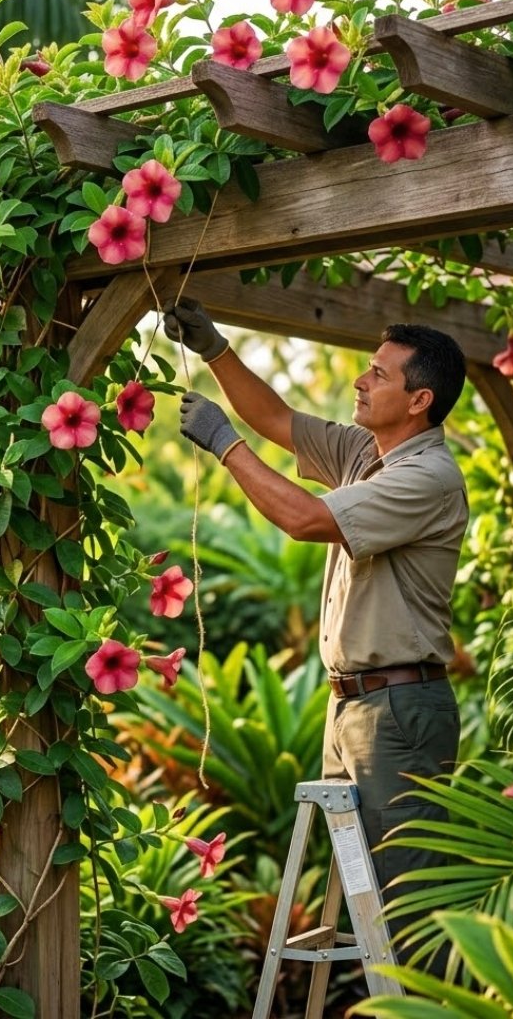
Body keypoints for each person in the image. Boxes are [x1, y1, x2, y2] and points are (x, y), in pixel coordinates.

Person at [164, 299, 467, 969]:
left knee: (406, 905)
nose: (361, 381)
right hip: (355, 705)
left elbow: (303, 518)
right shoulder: (368, 452)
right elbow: (276, 419)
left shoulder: (427, 477)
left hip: (396, 712)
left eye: (379, 376)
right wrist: (215, 347)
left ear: (420, 400)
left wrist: (224, 446)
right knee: (365, 896)